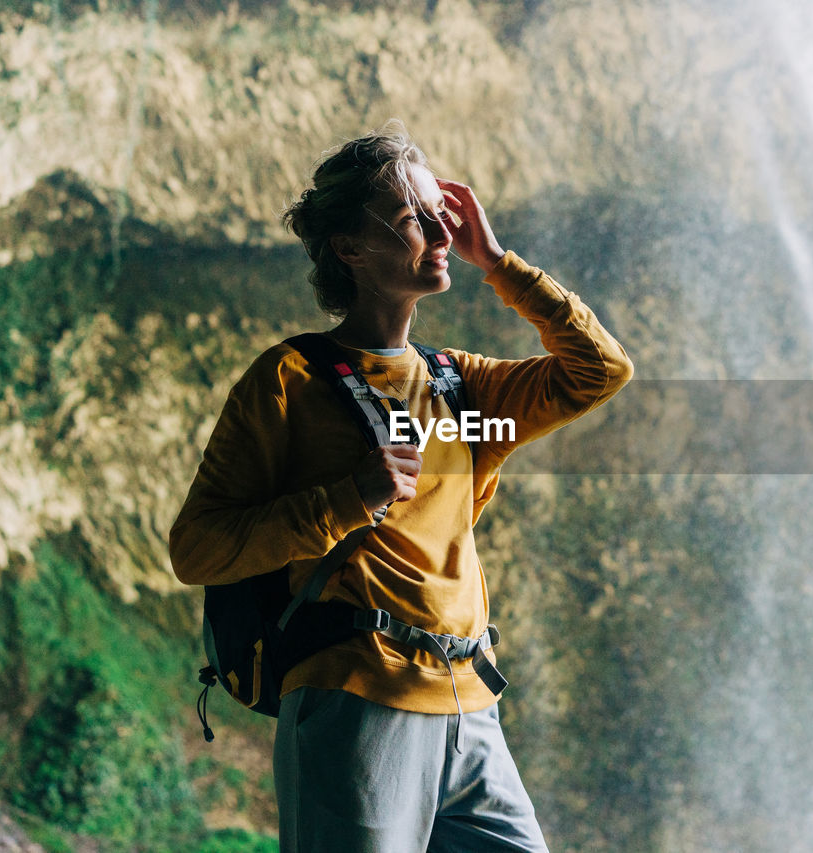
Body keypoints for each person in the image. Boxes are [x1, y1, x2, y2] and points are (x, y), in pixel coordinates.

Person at [168, 121, 633, 852]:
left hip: (471, 706)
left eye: (440, 215)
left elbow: (600, 371)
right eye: (414, 219)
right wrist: (348, 499)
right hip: (355, 704)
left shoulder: (459, 381)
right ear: (351, 248)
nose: (440, 233)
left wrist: (499, 261)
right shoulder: (288, 380)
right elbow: (197, 548)